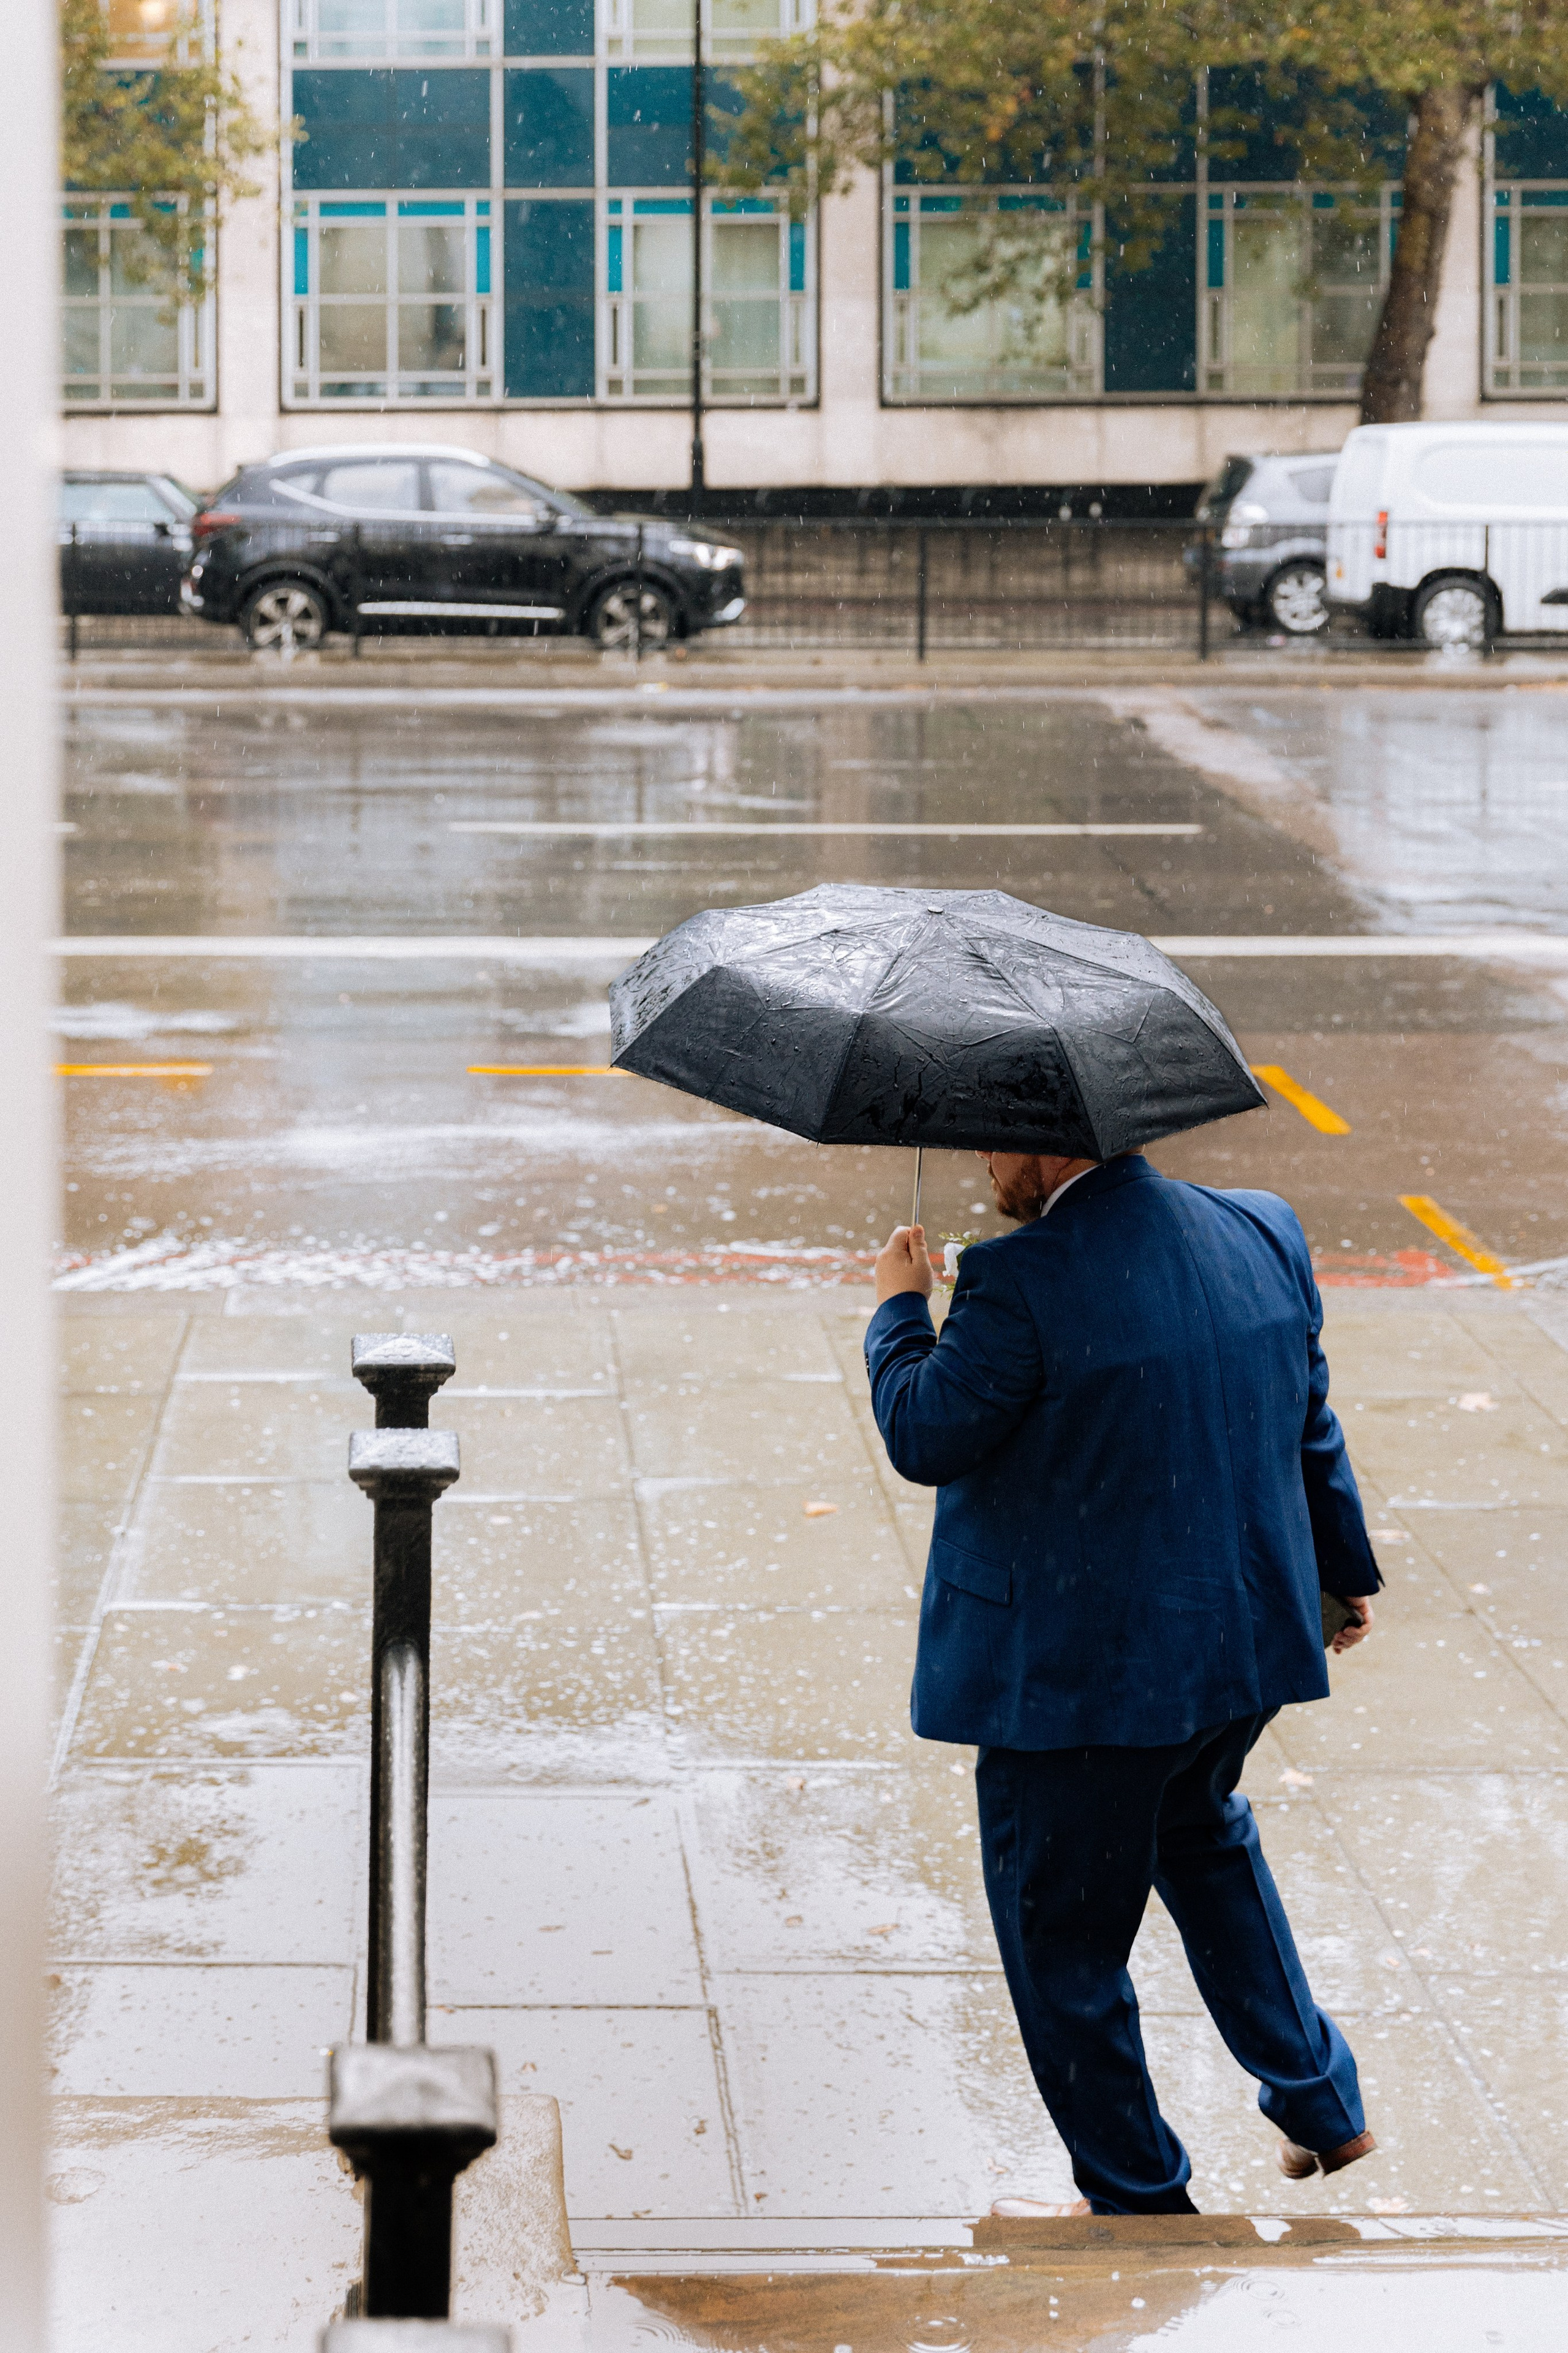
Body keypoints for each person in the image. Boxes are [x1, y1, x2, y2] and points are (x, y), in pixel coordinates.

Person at [866, 1145, 1381, 2218]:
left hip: (1080, 1686)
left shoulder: (1021, 1278)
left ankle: (1142, 2201)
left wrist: (901, 1311)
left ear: (1054, 1146)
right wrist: (1342, 1570)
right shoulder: (1262, 1227)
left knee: (1063, 1948)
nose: (985, 1164)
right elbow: (1308, 1419)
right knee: (1201, 1829)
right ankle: (1323, 2096)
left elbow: (925, 1430)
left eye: (997, 1142)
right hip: (1236, 1650)